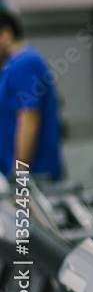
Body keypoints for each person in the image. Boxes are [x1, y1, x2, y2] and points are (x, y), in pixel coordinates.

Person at [0, 10, 64, 182]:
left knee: (25, 210)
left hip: (35, 177)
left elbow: (29, 119)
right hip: (19, 175)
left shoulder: (26, 63)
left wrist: (20, 173)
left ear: (5, 34)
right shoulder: (11, 66)